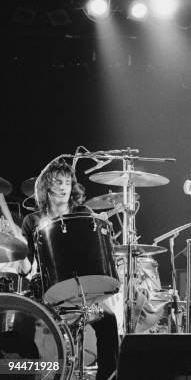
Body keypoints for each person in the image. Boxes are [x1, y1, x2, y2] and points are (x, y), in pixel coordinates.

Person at [21, 160, 119, 380]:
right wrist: (18, 251)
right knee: (24, 324)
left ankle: (108, 376)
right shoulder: (32, 220)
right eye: (58, 182)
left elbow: (96, 255)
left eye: (67, 182)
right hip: (49, 292)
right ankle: (25, 374)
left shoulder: (84, 212)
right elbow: (27, 269)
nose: (64, 187)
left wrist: (103, 231)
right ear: (47, 186)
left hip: (83, 290)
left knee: (109, 320)